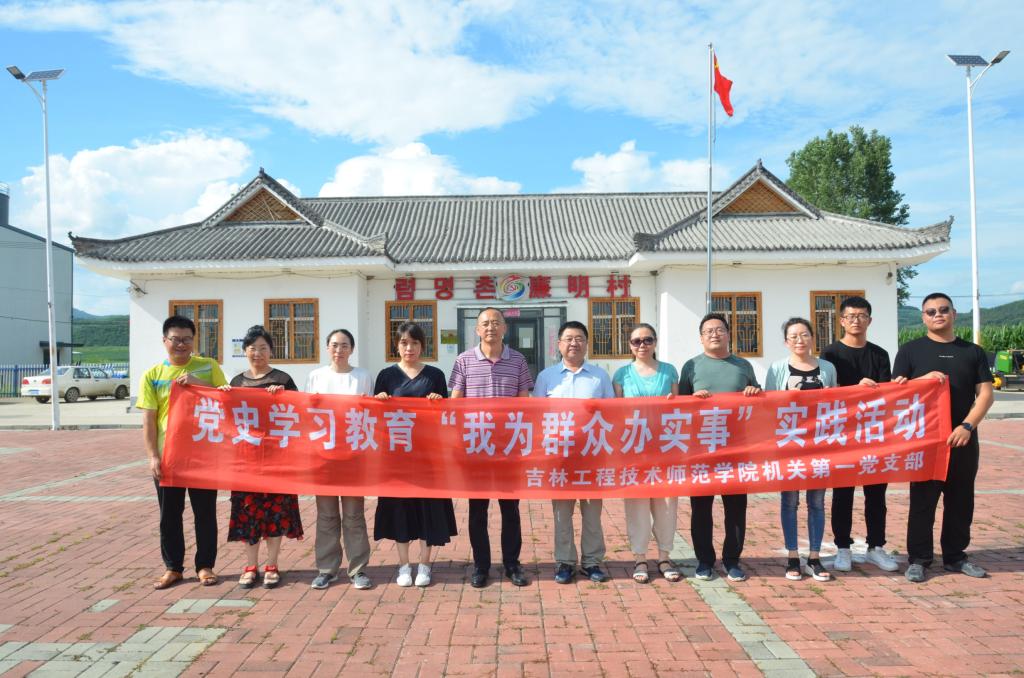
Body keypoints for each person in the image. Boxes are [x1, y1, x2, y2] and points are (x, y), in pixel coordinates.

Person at [894, 292, 994, 583]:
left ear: (954, 313)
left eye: (943, 309)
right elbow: (897, 393)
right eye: (931, 311)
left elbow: (985, 394)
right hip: (925, 441)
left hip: (963, 438)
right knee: (923, 501)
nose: (937, 315)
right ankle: (919, 559)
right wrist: (921, 380)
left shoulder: (973, 352)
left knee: (961, 500)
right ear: (923, 317)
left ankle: (955, 556)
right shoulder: (910, 351)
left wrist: (967, 426)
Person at [138, 315, 227, 589]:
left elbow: (226, 398)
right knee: (169, 515)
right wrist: (153, 456)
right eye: (175, 339)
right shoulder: (153, 375)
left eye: (187, 339)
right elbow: (149, 420)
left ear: (193, 341)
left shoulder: (208, 366)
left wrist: (201, 384)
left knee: (205, 513)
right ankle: (173, 567)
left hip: (203, 455)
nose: (181, 344)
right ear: (164, 340)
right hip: (169, 457)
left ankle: (205, 565)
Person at [449, 308, 533, 588]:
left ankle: (512, 564)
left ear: (505, 328)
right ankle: (481, 566)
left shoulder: (518, 360)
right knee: (477, 510)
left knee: (511, 510)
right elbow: (456, 402)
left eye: (496, 323)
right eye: (485, 323)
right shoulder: (463, 360)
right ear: (476, 329)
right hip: (476, 447)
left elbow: (524, 401)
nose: (491, 328)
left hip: (509, 448)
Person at [678, 313, 761, 582]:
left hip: (736, 448)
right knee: (701, 508)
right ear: (701, 338)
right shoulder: (691, 366)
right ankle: (704, 560)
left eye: (719, 330)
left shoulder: (743, 365)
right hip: (701, 449)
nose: (714, 334)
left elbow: (760, 399)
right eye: (709, 331)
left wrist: (754, 392)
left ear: (728, 334)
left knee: (736, 508)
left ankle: (732, 560)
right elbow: (680, 406)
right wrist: (693, 399)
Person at [218, 325, 303, 589]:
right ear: (244, 351)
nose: (258, 353)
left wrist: (283, 397)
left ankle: (272, 564)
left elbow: (299, 412)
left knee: (275, 512)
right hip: (245, 459)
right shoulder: (236, 383)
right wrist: (222, 397)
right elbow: (228, 421)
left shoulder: (283, 379)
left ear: (271, 351)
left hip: (277, 458)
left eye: (263, 348)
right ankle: (250, 565)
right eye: (253, 348)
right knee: (248, 512)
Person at [373, 322, 457, 587]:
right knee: (400, 509)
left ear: (423, 346)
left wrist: (438, 403)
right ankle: (403, 565)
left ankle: (424, 564)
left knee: (427, 509)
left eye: (415, 343)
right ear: (396, 346)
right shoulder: (386, 376)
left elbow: (446, 415)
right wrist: (379, 402)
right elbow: (375, 418)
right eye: (404, 343)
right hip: (396, 457)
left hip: (427, 456)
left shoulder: (435, 375)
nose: (409, 348)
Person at [820, 296, 898, 573]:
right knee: (843, 494)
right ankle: (843, 547)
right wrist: (855, 389)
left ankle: (876, 547)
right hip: (843, 434)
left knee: (876, 494)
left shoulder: (879, 354)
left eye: (861, 316)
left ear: (869, 320)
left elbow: (887, 394)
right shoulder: (830, 354)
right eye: (851, 316)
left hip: (874, 434)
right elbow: (827, 392)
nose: (856, 320)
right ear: (842, 320)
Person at [534, 320, 614, 584]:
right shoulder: (546, 377)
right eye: (568, 339)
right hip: (559, 457)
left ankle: (592, 562)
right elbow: (536, 415)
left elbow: (612, 413)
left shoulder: (599, 376)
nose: (574, 343)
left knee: (592, 513)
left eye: (579, 338)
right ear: (558, 344)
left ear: (587, 344)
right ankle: (565, 562)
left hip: (592, 455)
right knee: (562, 513)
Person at [765, 317, 837, 583]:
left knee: (817, 502)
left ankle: (814, 558)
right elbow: (768, 405)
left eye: (804, 334)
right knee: (790, 501)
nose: (799, 340)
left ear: (812, 338)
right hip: (789, 445)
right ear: (786, 342)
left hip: (819, 444)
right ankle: (793, 556)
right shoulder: (777, 368)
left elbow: (837, 403)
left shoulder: (827, 367)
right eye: (793, 336)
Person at [612, 323, 682, 584]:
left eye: (647, 340)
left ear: (655, 342)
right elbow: (616, 414)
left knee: (667, 506)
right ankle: (640, 557)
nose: (642, 345)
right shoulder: (622, 374)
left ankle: (664, 557)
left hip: (666, 448)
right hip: (634, 450)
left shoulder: (669, 371)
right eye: (636, 341)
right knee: (637, 506)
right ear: (629, 345)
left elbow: (678, 409)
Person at [305, 329, 374, 591]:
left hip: (353, 456)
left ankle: (358, 569)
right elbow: (307, 413)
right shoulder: (316, 376)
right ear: (327, 348)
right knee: (326, 515)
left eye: (344, 345)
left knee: (354, 515)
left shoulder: (363, 376)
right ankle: (326, 569)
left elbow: (370, 413)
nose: (339, 350)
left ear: (352, 349)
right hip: (324, 457)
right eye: (334, 345)